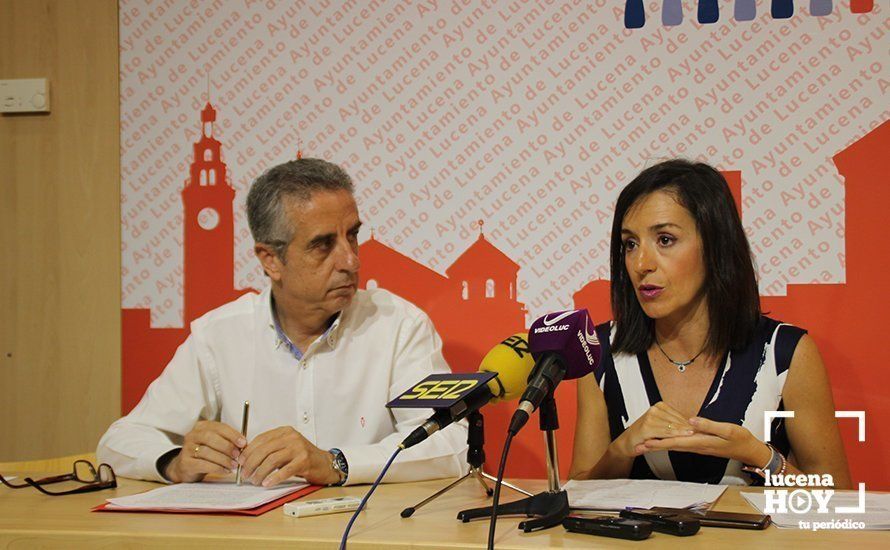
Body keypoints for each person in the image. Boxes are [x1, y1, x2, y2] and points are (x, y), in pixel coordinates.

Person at [98, 158, 467, 487]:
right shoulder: (218, 335)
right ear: (270, 260)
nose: (351, 261)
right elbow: (119, 442)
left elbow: (450, 444)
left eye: (352, 236)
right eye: (323, 245)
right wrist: (174, 462)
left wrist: (335, 463)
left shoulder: (399, 326)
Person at [569, 159, 851, 487]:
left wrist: (760, 455)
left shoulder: (785, 353)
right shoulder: (600, 352)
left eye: (664, 240)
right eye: (630, 244)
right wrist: (622, 448)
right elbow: (576, 493)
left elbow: (838, 502)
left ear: (715, 245)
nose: (641, 264)